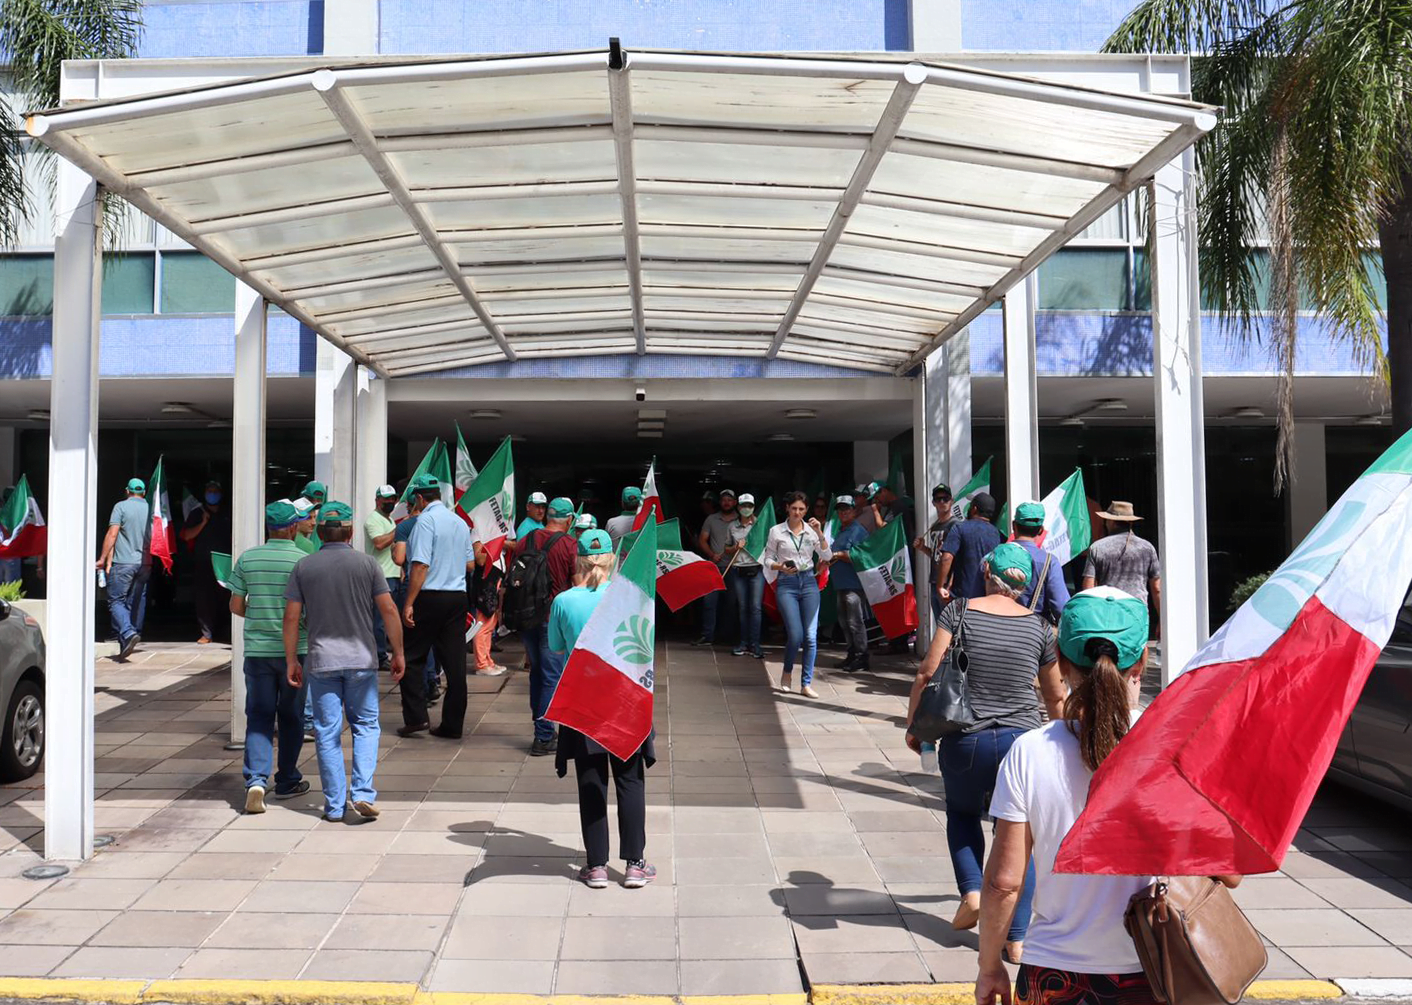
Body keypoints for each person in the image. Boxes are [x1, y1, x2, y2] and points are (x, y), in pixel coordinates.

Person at [975, 587, 1240, 1005]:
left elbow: (1004, 884)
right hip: (1153, 968)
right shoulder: (1175, 745)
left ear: (1061, 663)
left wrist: (989, 966)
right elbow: (1229, 871)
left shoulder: (1028, 752)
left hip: (1052, 973)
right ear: (1141, 662)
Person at [906, 543, 1065, 962]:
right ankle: (1017, 939)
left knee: (961, 814)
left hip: (966, 739)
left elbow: (927, 672)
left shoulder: (958, 611)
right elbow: (1055, 697)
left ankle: (973, 892)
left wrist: (914, 726)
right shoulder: (1041, 628)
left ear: (987, 571)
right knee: (1019, 835)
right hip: (1023, 745)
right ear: (1024, 583)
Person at [550, 529, 658, 889]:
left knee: (591, 781)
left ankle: (596, 866)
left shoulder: (564, 601)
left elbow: (556, 648)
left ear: (578, 560)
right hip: (625, 700)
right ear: (613, 560)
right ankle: (635, 865)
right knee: (630, 782)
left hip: (582, 701)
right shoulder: (631, 598)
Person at [283, 501, 404, 823]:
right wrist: (399, 652)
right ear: (351, 531)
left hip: (321, 661)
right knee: (365, 727)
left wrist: (291, 659)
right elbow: (389, 611)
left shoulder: (304, 567)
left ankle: (334, 805)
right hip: (361, 660)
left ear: (320, 531)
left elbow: (292, 618)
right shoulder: (367, 565)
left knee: (326, 732)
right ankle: (362, 793)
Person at [228, 500, 310, 813]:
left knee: (259, 717)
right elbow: (308, 613)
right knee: (291, 717)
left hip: (258, 652)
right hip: (296, 652)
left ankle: (256, 782)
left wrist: (260, 614)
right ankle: (287, 779)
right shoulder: (304, 561)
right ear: (292, 527)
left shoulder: (248, 558)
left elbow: (236, 606)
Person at [401, 473, 477, 739]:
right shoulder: (458, 522)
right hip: (456, 597)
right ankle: (452, 725)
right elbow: (471, 564)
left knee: (412, 658)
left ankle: (416, 718)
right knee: (456, 665)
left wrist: (409, 602)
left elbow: (420, 565)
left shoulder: (425, 521)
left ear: (420, 498)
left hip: (429, 595)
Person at [513, 496, 579, 755]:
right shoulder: (569, 545)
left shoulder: (524, 541)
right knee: (552, 676)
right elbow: (577, 584)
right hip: (553, 619)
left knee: (538, 674)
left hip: (526, 615)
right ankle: (543, 737)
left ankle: (542, 728)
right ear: (569, 520)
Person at [761, 491, 830, 698]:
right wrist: (779, 567)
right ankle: (787, 671)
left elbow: (827, 555)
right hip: (787, 583)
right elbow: (767, 559)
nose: (797, 513)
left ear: (806, 510)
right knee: (796, 634)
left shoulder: (811, 531)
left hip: (808, 581)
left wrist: (819, 533)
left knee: (810, 636)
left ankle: (806, 683)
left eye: (801, 509)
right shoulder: (776, 531)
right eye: (794, 509)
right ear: (787, 509)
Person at [1081, 501, 1162, 638]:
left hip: (1107, 613)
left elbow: (1088, 588)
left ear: (1111, 522)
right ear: (1130, 522)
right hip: (1137, 612)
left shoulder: (1097, 548)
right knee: (1138, 652)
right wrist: (1162, 618)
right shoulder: (1147, 548)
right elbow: (1157, 588)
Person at [392, 490, 441, 704]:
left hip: (413, 585)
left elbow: (400, 558)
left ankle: (422, 687)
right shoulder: (442, 522)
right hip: (438, 586)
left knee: (414, 641)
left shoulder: (405, 526)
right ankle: (433, 679)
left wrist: (395, 549)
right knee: (432, 639)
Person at [97, 477, 152, 660]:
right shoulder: (151, 509)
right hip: (145, 563)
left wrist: (103, 558)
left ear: (127, 491)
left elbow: (113, 534)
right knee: (136, 600)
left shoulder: (120, 507)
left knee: (116, 601)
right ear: (143, 492)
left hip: (124, 563)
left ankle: (128, 633)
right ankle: (129, 636)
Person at [180, 479, 232, 644]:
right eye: (210, 491)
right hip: (203, 562)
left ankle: (226, 632)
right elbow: (187, 535)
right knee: (204, 599)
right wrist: (203, 522)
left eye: (215, 491)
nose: (212, 495)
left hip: (225, 563)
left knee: (226, 597)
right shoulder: (197, 513)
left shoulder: (228, 512)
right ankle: (206, 633)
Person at [827, 495, 871, 672]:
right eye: (840, 509)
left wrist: (836, 555)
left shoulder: (858, 531)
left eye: (847, 509)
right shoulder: (842, 530)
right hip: (841, 584)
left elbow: (861, 556)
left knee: (855, 622)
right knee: (845, 622)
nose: (843, 512)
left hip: (855, 584)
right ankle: (852, 654)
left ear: (854, 510)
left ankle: (862, 657)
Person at [1012, 501, 1071, 623]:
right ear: (1041, 530)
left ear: (1014, 526)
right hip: (1034, 631)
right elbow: (1061, 607)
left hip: (996, 630)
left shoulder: (991, 558)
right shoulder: (1049, 562)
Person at [722, 492, 765, 658]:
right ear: (738, 507)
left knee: (755, 608)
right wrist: (735, 548)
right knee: (742, 608)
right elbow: (727, 548)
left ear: (754, 507)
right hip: (738, 569)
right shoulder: (732, 526)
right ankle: (743, 643)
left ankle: (755, 644)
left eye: (750, 506)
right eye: (743, 506)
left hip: (756, 570)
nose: (746, 509)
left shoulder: (760, 525)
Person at [938, 492, 1002, 601]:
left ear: (974, 509)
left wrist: (940, 585)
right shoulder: (996, 533)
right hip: (987, 596)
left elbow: (947, 558)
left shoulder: (959, 528)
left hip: (963, 597)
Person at [694, 488, 738, 647]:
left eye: (730, 500)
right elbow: (702, 540)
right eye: (724, 499)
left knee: (731, 604)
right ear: (720, 502)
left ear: (735, 502)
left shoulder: (741, 520)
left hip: (734, 567)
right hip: (713, 567)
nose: (726, 502)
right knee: (709, 603)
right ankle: (708, 636)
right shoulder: (711, 519)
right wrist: (712, 554)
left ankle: (727, 637)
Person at [365, 483, 400, 671]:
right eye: (385, 499)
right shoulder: (373, 520)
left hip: (392, 574)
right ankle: (379, 656)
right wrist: (399, 529)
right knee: (379, 620)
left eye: (392, 499)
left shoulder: (390, 520)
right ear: (377, 500)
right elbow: (379, 543)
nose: (389, 502)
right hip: (381, 576)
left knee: (388, 619)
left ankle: (386, 652)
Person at [913, 484, 955, 620]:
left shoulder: (955, 525)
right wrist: (922, 548)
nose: (942, 502)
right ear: (933, 503)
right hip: (934, 580)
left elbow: (957, 557)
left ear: (951, 500)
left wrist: (951, 583)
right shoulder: (935, 527)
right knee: (939, 622)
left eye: (945, 498)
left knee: (949, 623)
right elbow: (936, 554)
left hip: (948, 582)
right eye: (938, 499)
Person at [469, 539, 506, 675]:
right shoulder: (480, 535)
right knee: (483, 626)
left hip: (493, 582)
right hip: (485, 586)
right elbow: (480, 559)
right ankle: (481, 664)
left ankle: (487, 660)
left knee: (489, 627)